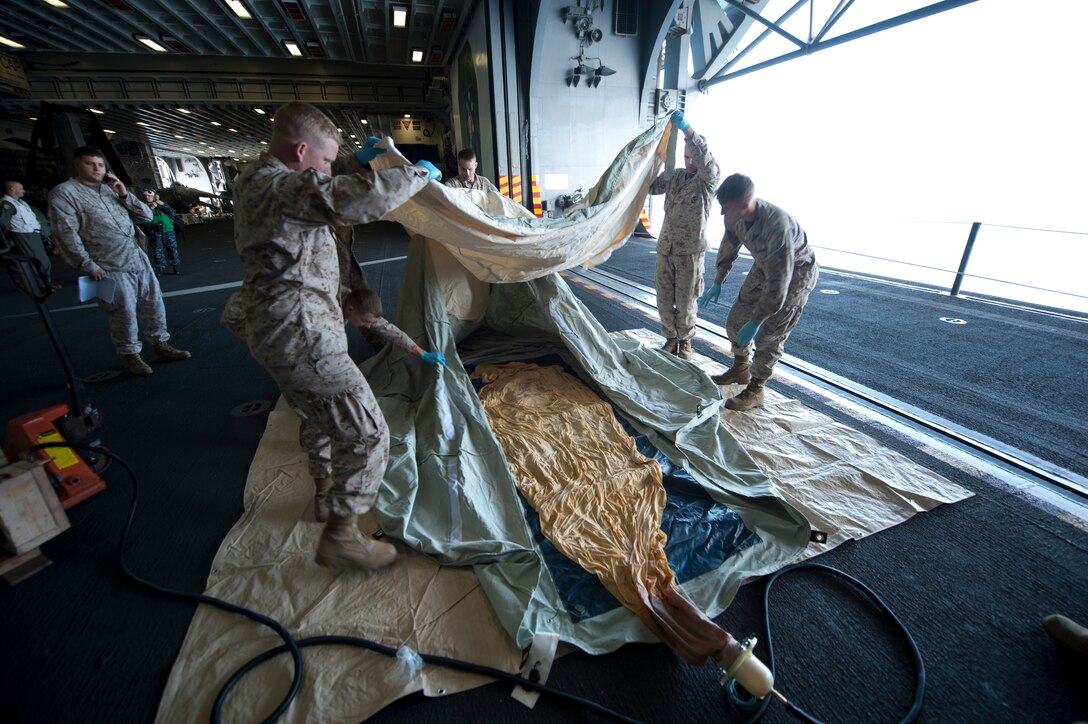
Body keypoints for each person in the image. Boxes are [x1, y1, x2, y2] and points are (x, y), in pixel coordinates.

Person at [225, 101, 439, 572]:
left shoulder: (256, 182)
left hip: (279, 330)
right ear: (300, 150)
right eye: (323, 162)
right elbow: (352, 199)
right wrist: (417, 177)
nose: (327, 171)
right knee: (367, 434)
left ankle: (326, 495)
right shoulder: (278, 186)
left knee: (321, 419)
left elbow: (308, 215)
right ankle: (342, 535)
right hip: (303, 337)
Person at [48, 147, 192, 376]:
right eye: (90, 164)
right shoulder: (65, 193)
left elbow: (145, 216)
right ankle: (131, 354)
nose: (97, 168)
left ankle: (160, 344)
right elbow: (65, 234)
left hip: (136, 257)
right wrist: (87, 265)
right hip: (106, 263)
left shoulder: (111, 190)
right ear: (77, 165)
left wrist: (125, 194)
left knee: (153, 304)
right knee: (121, 311)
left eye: (100, 164)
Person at [698, 173, 819, 411]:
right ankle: (740, 368)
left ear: (745, 205)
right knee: (735, 321)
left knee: (769, 336)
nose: (723, 214)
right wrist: (719, 280)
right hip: (764, 266)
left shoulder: (777, 227)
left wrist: (756, 321)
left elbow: (778, 285)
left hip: (795, 274)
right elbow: (730, 243)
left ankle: (756, 389)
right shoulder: (734, 216)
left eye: (727, 209)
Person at [648, 110, 721, 360]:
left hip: (690, 251)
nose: (689, 161)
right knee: (664, 296)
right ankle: (670, 338)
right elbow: (650, 186)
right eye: (686, 157)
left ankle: (686, 342)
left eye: (693, 158)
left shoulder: (707, 180)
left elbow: (705, 160)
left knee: (687, 299)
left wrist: (688, 131)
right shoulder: (676, 176)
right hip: (666, 247)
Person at [342, 287, 447, 367]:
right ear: (350, 310)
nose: (369, 326)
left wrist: (423, 354)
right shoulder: (330, 314)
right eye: (365, 321)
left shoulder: (356, 304)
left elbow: (392, 332)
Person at [2, 180, 59, 290]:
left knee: (43, 261)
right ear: (12, 189)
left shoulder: (19, 202)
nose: (23, 190)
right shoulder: (7, 204)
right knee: (36, 261)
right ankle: (41, 286)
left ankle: (46, 284)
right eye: (21, 188)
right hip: (24, 236)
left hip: (32, 234)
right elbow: (4, 223)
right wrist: (10, 238)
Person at [139, 190, 182, 275]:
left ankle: (175, 267)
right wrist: (151, 208)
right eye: (145, 196)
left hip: (168, 230)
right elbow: (142, 216)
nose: (147, 197)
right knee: (157, 251)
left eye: (149, 196)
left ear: (154, 196)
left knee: (172, 249)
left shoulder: (161, 205)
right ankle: (160, 268)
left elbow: (173, 213)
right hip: (155, 231)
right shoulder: (144, 207)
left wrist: (163, 205)